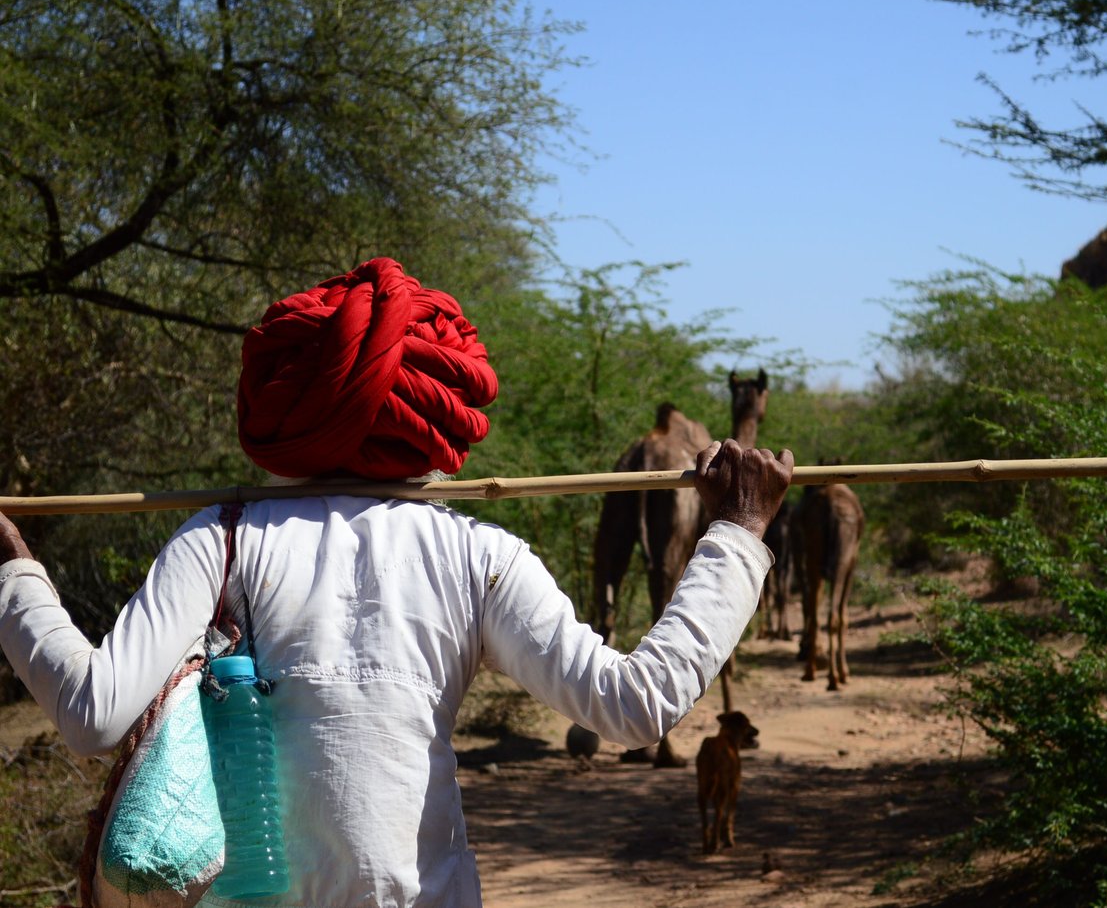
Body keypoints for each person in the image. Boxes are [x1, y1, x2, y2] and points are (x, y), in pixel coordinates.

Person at [0, 258, 793, 908]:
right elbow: (635, 705)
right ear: (437, 413)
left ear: (286, 408)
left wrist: (16, 578)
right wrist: (736, 535)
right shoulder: (476, 552)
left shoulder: (224, 536)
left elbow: (94, 714)